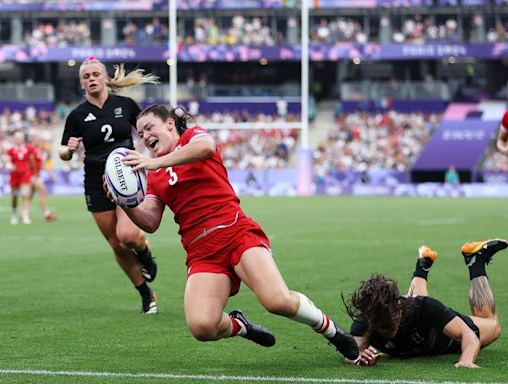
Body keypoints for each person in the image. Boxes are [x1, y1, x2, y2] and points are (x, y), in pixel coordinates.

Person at [110, 104, 360, 362]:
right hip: (201, 251)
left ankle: (331, 330)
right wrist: (124, 202)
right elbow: (150, 221)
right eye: (140, 133)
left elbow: (205, 147)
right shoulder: (154, 175)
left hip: (234, 231)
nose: (144, 136)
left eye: (149, 127)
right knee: (201, 327)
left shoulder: (191, 137)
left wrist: (155, 163)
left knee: (278, 302)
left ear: (170, 125)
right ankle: (241, 326)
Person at [58, 57, 160, 314]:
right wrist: (68, 151)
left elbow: (147, 131)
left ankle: (145, 252)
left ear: (105, 77)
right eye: (86, 76)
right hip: (95, 182)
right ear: (82, 83)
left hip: (126, 176)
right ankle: (145, 293)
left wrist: (154, 156)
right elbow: (63, 151)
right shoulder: (77, 115)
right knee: (116, 244)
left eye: (95, 74)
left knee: (128, 236)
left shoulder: (125, 105)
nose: (91, 79)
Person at [343, 238, 507, 368]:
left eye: (389, 324)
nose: (386, 332)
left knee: (492, 324)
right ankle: (423, 264)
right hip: (418, 316)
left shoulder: (425, 308)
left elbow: (469, 337)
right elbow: (352, 353)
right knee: (416, 304)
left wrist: (466, 360)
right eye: (380, 327)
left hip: (452, 338)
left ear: (398, 311)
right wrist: (359, 358)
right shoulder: (368, 319)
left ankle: (475, 262)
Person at [5, 130, 34, 225]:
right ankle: (14, 214)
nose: (18, 139)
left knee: (25, 194)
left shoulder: (28, 149)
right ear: (14, 139)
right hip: (14, 175)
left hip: (25, 174)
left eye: (20, 137)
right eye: (17, 137)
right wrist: (9, 164)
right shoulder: (10, 150)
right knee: (14, 196)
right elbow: (7, 160)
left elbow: (32, 160)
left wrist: (33, 173)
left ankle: (25, 215)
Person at [29, 133, 57, 222]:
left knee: (29, 196)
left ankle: (24, 213)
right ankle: (47, 213)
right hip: (31, 175)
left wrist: (51, 174)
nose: (38, 141)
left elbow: (43, 165)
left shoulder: (40, 151)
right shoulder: (30, 150)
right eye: (36, 139)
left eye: (39, 139)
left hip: (36, 175)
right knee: (43, 191)